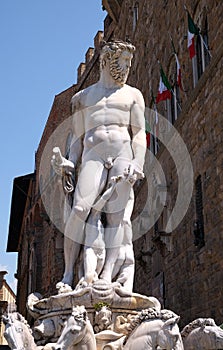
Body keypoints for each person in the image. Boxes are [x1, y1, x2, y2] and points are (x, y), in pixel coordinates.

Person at [51, 39, 146, 289]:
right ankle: (69, 273)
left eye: (129, 62)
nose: (127, 67)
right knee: (80, 210)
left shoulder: (133, 95)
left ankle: (106, 277)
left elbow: (138, 133)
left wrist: (138, 162)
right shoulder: (82, 97)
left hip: (122, 155)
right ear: (106, 59)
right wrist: (69, 163)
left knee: (116, 218)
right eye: (123, 60)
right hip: (93, 155)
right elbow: (78, 139)